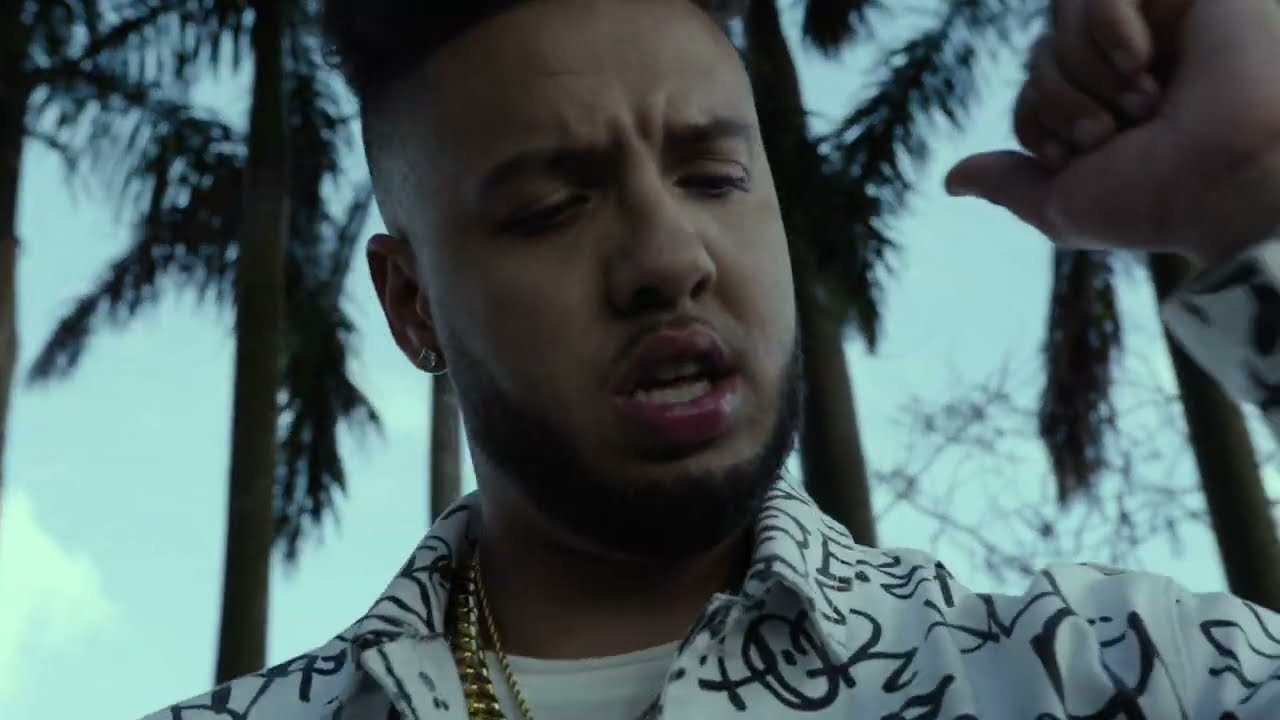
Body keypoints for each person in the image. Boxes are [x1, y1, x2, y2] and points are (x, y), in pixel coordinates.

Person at [142, 0, 1280, 717]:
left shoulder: (1112, 675)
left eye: (714, 178)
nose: (666, 257)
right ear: (411, 303)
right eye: (549, 208)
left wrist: (1253, 199)